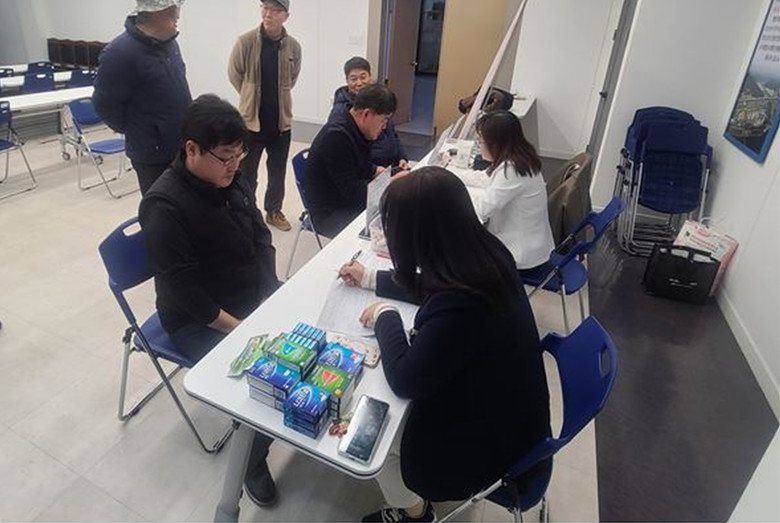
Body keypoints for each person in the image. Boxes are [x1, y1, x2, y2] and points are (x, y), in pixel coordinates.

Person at [338, 167, 551, 522]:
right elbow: (436, 284)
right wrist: (371, 277)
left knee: (374, 435)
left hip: (492, 451)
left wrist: (385, 315)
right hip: (517, 425)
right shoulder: (485, 253)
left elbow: (405, 379)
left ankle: (414, 514)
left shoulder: (462, 305)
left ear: (414, 237)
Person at [139, 94, 280, 507]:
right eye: (225, 157)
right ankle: (251, 460)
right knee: (262, 376)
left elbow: (261, 238)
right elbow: (185, 293)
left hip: (247, 295)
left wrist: (271, 291)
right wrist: (243, 329)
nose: (234, 165)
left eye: (240, 154)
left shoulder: (230, 178)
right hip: (199, 318)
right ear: (191, 150)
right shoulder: (164, 206)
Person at [93, 0, 191, 195]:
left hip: (181, 144)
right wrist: (142, 130)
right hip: (152, 155)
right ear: (154, 12)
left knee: (187, 204)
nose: (177, 14)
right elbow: (105, 104)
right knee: (161, 206)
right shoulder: (120, 53)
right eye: (172, 8)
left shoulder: (170, 43)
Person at [228, 0, 302, 232]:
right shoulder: (246, 41)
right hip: (251, 123)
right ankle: (248, 213)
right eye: (265, 8)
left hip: (280, 123)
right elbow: (234, 74)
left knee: (277, 172)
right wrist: (249, 95)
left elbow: (292, 78)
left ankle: (274, 211)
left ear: (286, 16)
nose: (268, 14)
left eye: (275, 10)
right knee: (247, 173)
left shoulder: (293, 46)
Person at [306, 83, 402, 238]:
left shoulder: (355, 126)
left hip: (347, 200)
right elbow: (355, 195)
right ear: (366, 114)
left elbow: (361, 165)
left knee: (398, 210)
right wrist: (389, 185)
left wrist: (378, 171)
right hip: (331, 213)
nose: (384, 127)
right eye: (383, 120)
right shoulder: (336, 137)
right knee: (394, 224)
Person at [472, 110, 555, 279]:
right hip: (534, 245)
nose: (479, 145)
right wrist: (450, 175)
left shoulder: (511, 170)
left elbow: (482, 210)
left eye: (481, 140)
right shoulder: (521, 159)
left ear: (496, 143)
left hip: (520, 256)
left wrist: (454, 195)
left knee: (460, 251)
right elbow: (484, 178)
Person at [330, 57, 409, 170]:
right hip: (372, 170)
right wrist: (374, 170)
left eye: (363, 77)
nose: (359, 83)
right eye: (353, 79)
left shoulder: (378, 100)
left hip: (390, 166)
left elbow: (392, 134)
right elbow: (351, 152)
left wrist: (401, 157)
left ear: (370, 76)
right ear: (347, 80)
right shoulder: (341, 112)